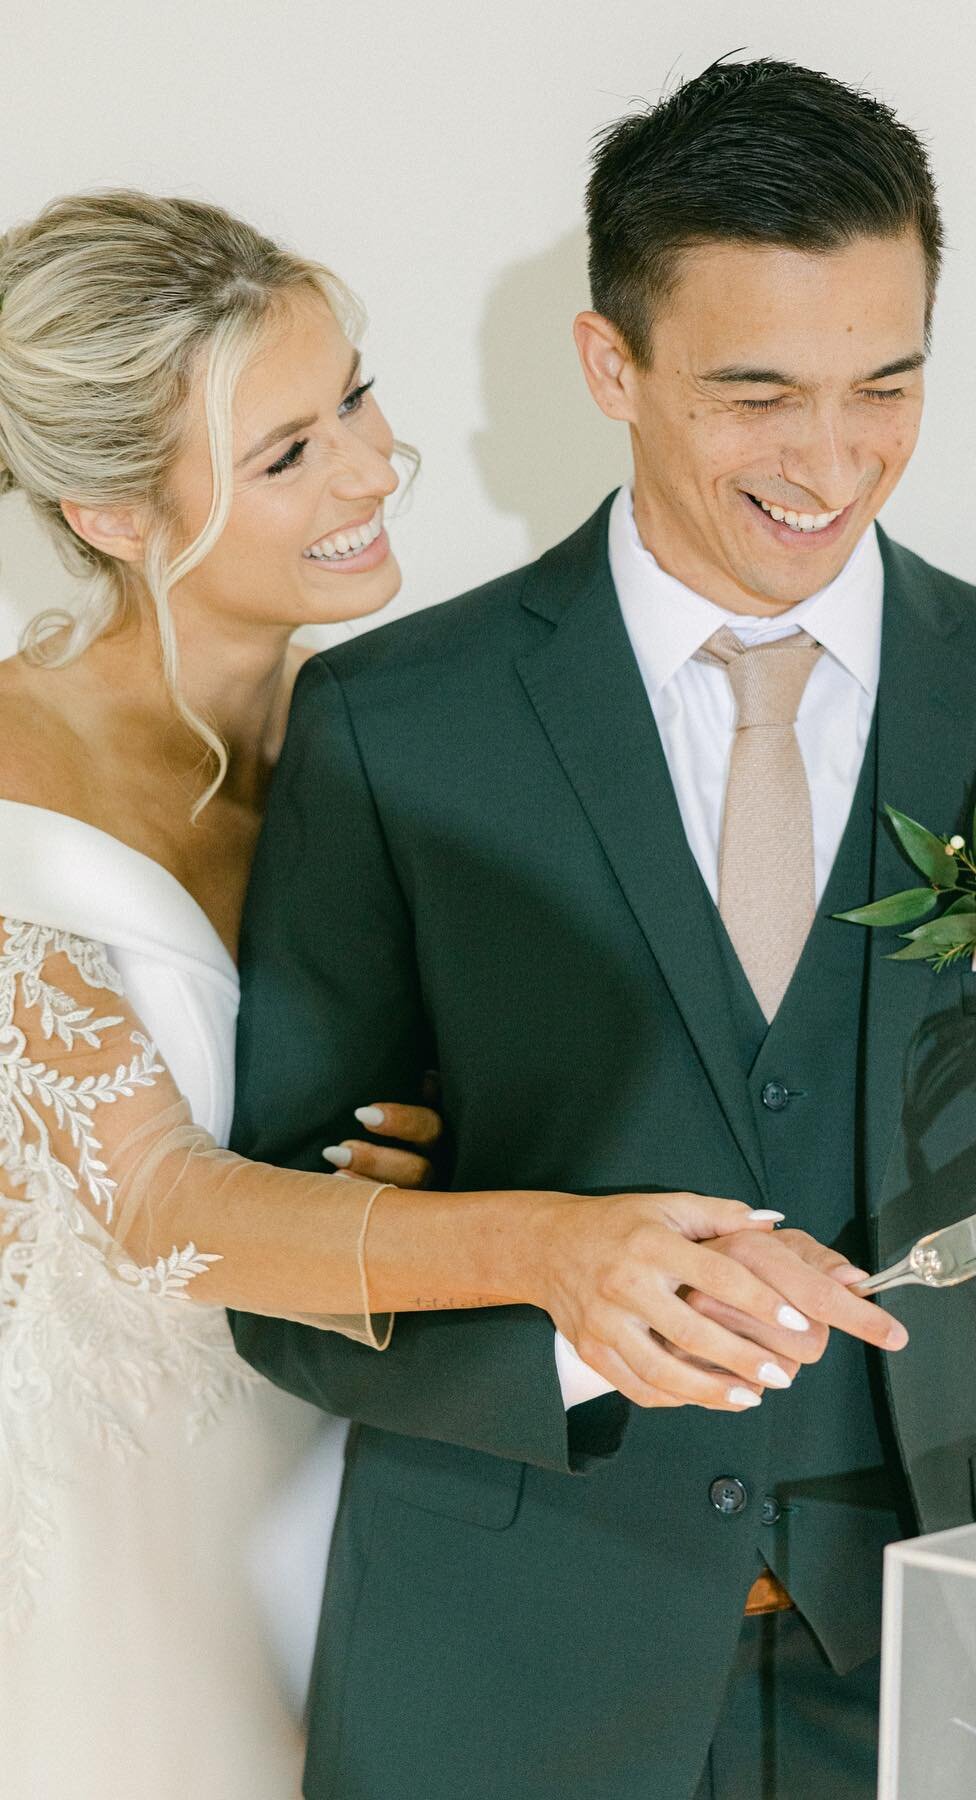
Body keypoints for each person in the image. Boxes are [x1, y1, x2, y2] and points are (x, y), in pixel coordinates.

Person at [231, 57, 976, 1800]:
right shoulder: (394, 723)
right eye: (757, 395)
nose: (832, 461)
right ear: (614, 366)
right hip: (501, 1671)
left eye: (884, 383)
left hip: (936, 1675)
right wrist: (579, 1316)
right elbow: (274, 1276)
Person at [0, 189, 846, 1800]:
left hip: (379, 1469)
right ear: (110, 512)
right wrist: (552, 1243)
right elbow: (166, 1201)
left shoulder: (394, 740)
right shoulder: (12, 784)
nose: (379, 469)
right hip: (122, 1517)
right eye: (288, 456)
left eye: (358, 400)